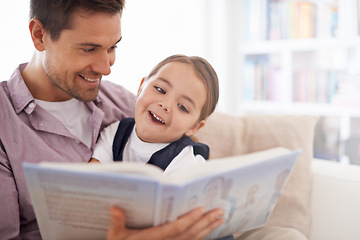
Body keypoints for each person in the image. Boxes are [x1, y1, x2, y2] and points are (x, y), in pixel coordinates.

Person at [0, 0, 224, 239]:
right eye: (89, 49)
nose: (106, 68)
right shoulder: (6, 124)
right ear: (39, 35)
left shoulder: (121, 101)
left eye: (112, 48)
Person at [90, 54, 219, 177]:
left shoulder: (186, 164)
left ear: (195, 127)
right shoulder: (115, 132)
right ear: (141, 87)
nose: (165, 105)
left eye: (182, 107)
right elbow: (89, 178)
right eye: (160, 90)